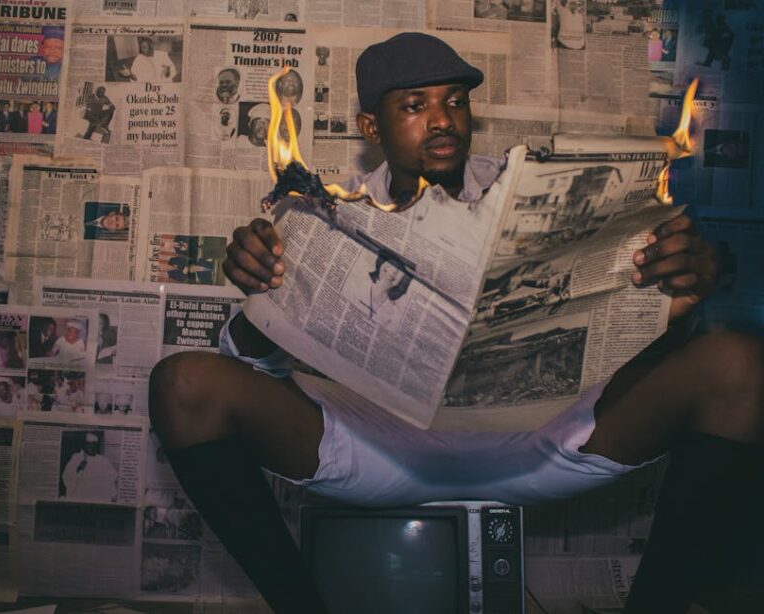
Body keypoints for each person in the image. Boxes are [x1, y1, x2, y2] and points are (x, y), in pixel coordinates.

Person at [149, 33, 763, 613]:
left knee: (737, 366)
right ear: (371, 127)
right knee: (184, 386)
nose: (442, 119)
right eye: (415, 105)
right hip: (384, 448)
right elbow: (253, 367)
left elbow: (637, 339)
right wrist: (260, 290)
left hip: (538, 439)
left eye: (455, 102)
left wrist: (679, 290)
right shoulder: (328, 214)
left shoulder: (524, 190)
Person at [61, 431, 118, 502]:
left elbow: (113, 476)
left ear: (96, 445)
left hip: (97, 498)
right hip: (80, 497)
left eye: (94, 443)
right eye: (88, 443)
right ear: (84, 445)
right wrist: (78, 469)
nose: (91, 446)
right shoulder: (77, 457)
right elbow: (66, 476)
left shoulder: (103, 460)